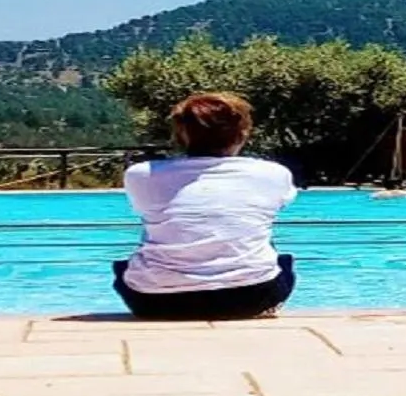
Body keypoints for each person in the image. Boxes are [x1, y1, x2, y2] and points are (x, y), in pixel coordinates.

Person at [113, 92, 298, 320]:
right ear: (242, 133)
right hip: (252, 297)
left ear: (181, 134)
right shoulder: (272, 174)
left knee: (126, 263)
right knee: (278, 255)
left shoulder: (142, 175)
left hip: (154, 302)